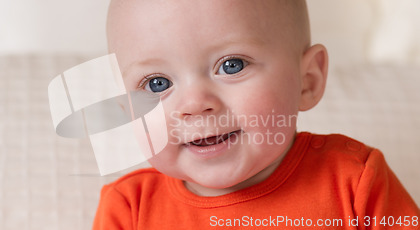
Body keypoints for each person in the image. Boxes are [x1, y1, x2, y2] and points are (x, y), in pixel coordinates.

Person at [94, 0, 420, 229]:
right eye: (156, 83)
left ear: (307, 81)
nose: (194, 104)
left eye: (231, 65)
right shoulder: (130, 209)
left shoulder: (354, 181)